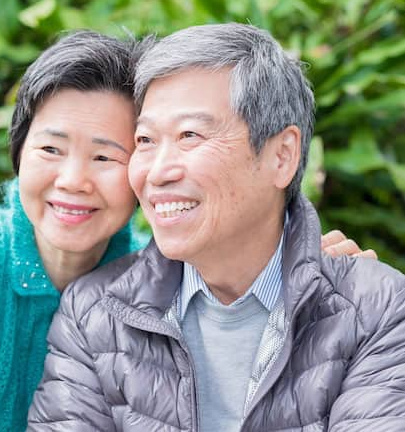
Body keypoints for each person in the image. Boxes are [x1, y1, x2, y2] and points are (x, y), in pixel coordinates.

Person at [0, 31, 369, 431]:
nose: (74, 180)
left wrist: (298, 284)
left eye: (106, 157)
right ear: (20, 152)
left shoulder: (164, 283)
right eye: (51, 148)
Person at [28, 23, 404, 431]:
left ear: (281, 156)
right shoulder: (95, 314)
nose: (157, 171)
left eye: (190, 135)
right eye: (146, 140)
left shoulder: (377, 309)